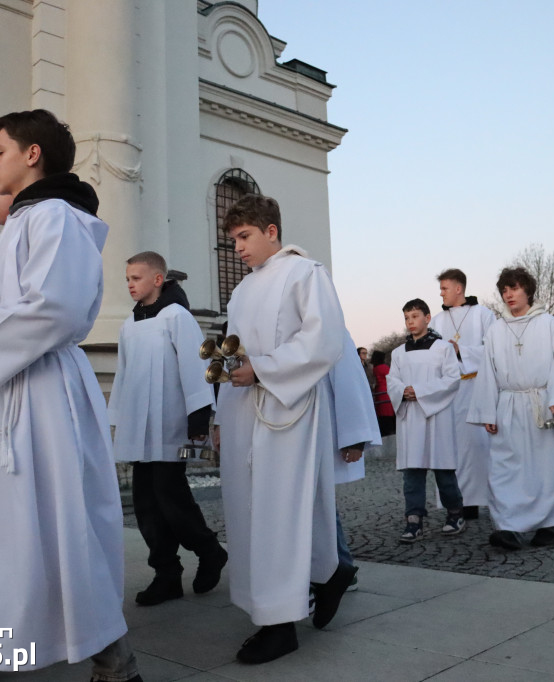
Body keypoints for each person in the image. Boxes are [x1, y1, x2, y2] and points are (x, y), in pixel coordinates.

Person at [0, 109, 140, 680]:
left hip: (41, 399)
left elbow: (55, 308)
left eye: (0, 149)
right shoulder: (23, 222)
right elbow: (10, 305)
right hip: (10, 394)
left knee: (56, 529)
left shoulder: (56, 218)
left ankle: (113, 661)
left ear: (33, 154)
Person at [213, 193, 352, 664]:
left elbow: (324, 339)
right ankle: (324, 573)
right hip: (244, 409)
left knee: (278, 510)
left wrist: (265, 369)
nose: (238, 248)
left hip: (286, 407)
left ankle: (279, 624)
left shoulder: (305, 273)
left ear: (272, 232)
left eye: (245, 237)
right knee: (253, 509)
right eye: (233, 240)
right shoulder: (243, 289)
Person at [108, 251, 225, 607]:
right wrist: (116, 420)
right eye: (127, 278)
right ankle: (166, 573)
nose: (130, 284)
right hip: (138, 426)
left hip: (172, 423)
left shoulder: (177, 317)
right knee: (146, 500)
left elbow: (195, 366)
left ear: (158, 280)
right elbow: (124, 374)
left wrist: (198, 419)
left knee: (170, 494)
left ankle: (208, 550)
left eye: (137, 278)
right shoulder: (129, 323)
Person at [467, 268, 554, 550]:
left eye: (514, 288)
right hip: (508, 404)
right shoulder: (496, 329)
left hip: (542, 403)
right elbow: (488, 371)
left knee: (546, 466)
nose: (508, 295)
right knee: (505, 467)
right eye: (504, 290)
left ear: (528, 290)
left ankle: (550, 525)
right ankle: (508, 526)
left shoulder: (549, 324)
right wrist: (487, 411)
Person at [386, 298, 465, 543]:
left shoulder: (443, 348)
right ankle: (414, 519)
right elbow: (393, 381)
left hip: (436, 416)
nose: (411, 322)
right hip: (411, 418)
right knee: (412, 472)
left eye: (415, 316)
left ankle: (455, 514)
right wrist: (403, 392)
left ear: (427, 318)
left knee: (443, 471)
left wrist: (418, 391)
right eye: (407, 318)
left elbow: (452, 379)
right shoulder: (398, 353)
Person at [432, 268, 495, 520]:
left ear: (459, 289)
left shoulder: (483, 315)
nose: (441, 293)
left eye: (445, 288)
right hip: (447, 394)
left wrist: (461, 352)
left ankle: (479, 501)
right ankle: (455, 503)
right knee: (450, 448)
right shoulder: (436, 320)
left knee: (477, 447)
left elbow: (492, 350)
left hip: (475, 389)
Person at [327, 332, 381, 592]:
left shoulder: (331, 326)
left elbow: (349, 380)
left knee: (319, 500)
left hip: (318, 427)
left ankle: (343, 568)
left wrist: (355, 438)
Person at [371, 349, 396, 436]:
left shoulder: (375, 368)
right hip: (385, 391)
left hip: (379, 391)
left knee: (382, 412)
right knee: (388, 412)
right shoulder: (384, 367)